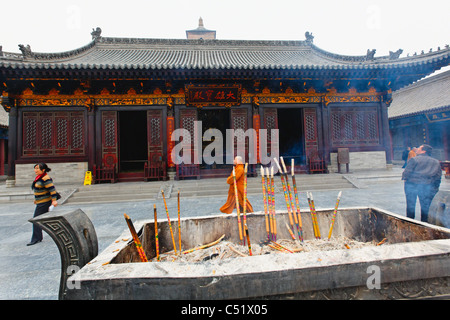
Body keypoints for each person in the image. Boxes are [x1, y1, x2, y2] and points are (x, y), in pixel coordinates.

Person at [402, 144, 442, 222]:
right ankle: (424, 223)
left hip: (412, 185)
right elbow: (438, 176)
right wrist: (435, 188)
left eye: (419, 148)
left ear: (424, 151)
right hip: (427, 186)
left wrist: (406, 181)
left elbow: (406, 173)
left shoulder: (414, 160)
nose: (417, 149)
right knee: (425, 206)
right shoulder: (436, 162)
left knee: (411, 205)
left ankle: (410, 222)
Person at [27, 163, 59, 246]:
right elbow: (39, 190)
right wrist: (36, 200)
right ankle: (38, 237)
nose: (35, 170)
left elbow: (52, 190)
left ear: (43, 170)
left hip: (44, 203)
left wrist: (54, 200)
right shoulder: (39, 178)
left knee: (36, 220)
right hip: (40, 202)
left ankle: (36, 238)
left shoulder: (46, 178)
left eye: (37, 168)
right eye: (35, 168)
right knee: (41, 219)